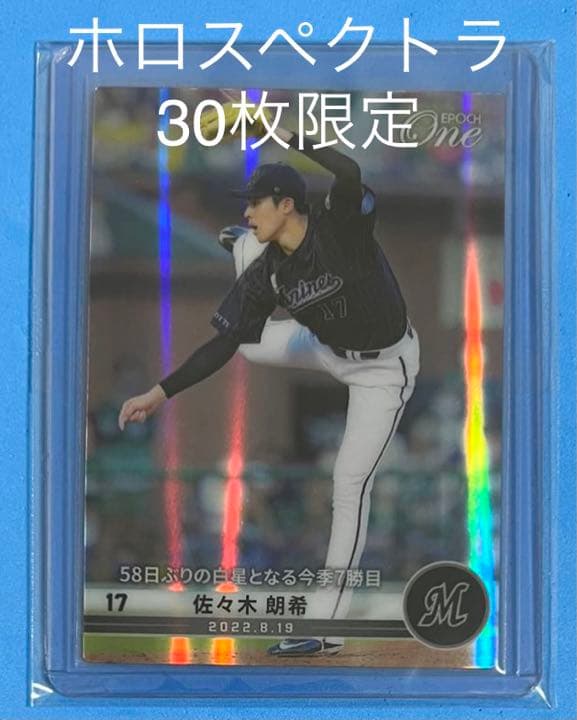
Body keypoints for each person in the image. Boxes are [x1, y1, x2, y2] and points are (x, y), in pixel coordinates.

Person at [118, 126, 420, 657]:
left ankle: (325, 626)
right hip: (323, 343)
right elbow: (222, 345)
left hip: (382, 369)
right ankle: (241, 247)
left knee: (349, 485)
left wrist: (276, 130)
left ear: (286, 203)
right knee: (247, 342)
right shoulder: (273, 271)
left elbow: (348, 171)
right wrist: (159, 393)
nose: (249, 208)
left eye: (256, 203)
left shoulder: (339, 225)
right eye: (248, 206)